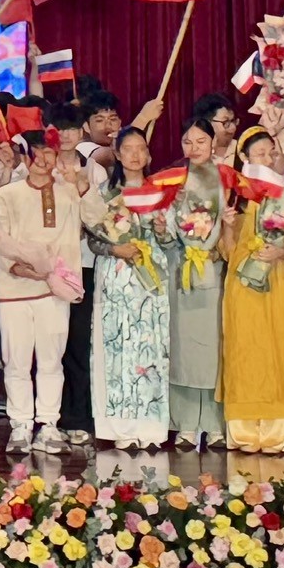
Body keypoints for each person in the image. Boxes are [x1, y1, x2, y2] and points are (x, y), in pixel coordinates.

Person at [0, 138, 83, 453]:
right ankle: (20, 425)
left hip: (54, 287)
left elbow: (94, 219)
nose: (43, 158)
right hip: (14, 288)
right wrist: (16, 266)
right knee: (16, 361)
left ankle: (48, 424)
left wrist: (81, 186)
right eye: (37, 152)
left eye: (49, 152)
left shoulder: (70, 192)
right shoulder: (7, 194)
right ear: (27, 158)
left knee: (51, 360)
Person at [86, 126, 171, 450]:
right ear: (118, 154)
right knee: (117, 345)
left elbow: (171, 240)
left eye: (141, 148)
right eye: (129, 149)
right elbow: (94, 240)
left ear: (148, 154)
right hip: (116, 276)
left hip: (151, 277)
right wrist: (114, 248)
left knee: (150, 346)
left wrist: (162, 231)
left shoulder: (160, 191)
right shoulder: (104, 193)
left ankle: (151, 426)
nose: (135, 155)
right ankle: (120, 426)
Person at [221, 129, 284, 454]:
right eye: (260, 154)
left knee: (281, 350)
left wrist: (281, 251)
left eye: (273, 152)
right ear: (244, 158)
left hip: (280, 284)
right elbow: (227, 251)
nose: (268, 159)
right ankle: (243, 431)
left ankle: (278, 432)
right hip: (242, 287)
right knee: (245, 352)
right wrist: (228, 225)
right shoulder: (235, 197)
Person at [165, 113, 230, 449]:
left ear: (214, 142)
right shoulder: (172, 179)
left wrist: (220, 243)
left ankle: (216, 424)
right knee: (184, 349)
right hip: (182, 270)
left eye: (201, 141)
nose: (194, 147)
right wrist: (168, 229)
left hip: (215, 271)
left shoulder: (227, 179)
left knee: (214, 349)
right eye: (187, 141)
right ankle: (186, 423)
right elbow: (163, 231)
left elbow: (235, 224)